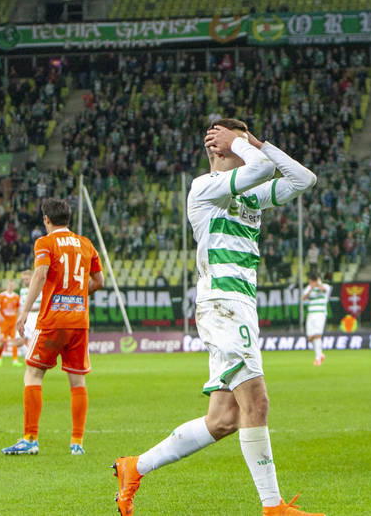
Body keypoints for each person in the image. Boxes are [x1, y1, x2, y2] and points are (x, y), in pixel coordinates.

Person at [112, 119, 323, 516]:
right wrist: (245, 148)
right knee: (256, 402)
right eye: (237, 141)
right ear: (220, 147)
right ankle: (272, 506)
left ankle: (133, 468)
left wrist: (261, 144)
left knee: (224, 418)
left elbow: (303, 179)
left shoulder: (250, 197)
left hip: (240, 305)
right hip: (222, 304)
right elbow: (259, 168)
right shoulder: (204, 187)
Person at [1, 198, 104, 456]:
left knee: (33, 373)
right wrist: (79, 295)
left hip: (52, 320)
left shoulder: (45, 243)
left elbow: (40, 274)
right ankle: (77, 443)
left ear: (46, 219)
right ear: (68, 219)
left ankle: (30, 438)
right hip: (79, 321)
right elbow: (99, 281)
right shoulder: (86, 244)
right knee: (77, 381)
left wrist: (24, 311)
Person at [302, 272, 332, 366]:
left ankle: (317, 358)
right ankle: (320, 354)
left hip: (320, 313)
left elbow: (323, 290)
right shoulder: (308, 288)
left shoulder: (325, 286)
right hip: (311, 314)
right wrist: (311, 287)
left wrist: (318, 284)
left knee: (317, 335)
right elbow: (303, 298)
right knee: (310, 337)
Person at [0, 280, 21, 366]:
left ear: (14, 287)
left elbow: (18, 309)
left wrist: (19, 318)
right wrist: (0, 316)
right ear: (6, 286)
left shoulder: (16, 297)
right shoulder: (1, 296)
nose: (10, 287)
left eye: (12, 285)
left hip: (13, 323)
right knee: (2, 341)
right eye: (9, 285)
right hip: (4, 323)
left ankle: (15, 360)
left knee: (14, 341)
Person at [18, 270, 42, 357]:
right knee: (20, 339)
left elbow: (43, 303)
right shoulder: (22, 291)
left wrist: (30, 308)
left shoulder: (39, 288)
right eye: (23, 279)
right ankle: (29, 355)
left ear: (32, 278)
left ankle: (34, 356)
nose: (25, 281)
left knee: (34, 338)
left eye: (27, 279)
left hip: (35, 315)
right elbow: (21, 305)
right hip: (26, 315)